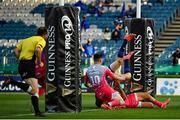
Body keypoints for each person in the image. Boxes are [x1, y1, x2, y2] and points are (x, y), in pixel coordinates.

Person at [1, 27, 47, 117]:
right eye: (47, 34)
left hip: (22, 64)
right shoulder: (41, 40)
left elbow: (15, 51)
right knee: (34, 90)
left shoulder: (26, 40)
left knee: (35, 90)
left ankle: (37, 112)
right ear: (44, 34)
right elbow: (38, 50)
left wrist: (21, 59)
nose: (47, 36)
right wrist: (39, 62)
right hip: (28, 65)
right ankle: (11, 81)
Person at [84, 34, 135, 109]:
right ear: (101, 60)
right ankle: (126, 54)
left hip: (101, 90)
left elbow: (86, 84)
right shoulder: (104, 69)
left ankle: (126, 49)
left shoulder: (89, 70)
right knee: (126, 74)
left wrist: (92, 86)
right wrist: (122, 78)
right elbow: (124, 99)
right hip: (105, 90)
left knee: (120, 63)